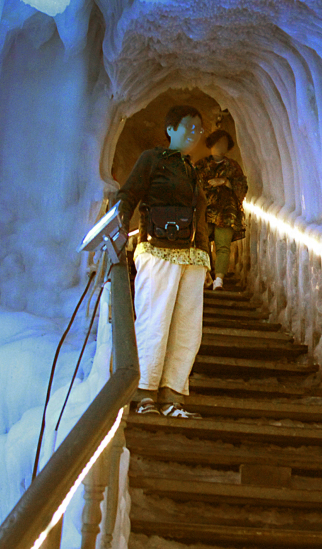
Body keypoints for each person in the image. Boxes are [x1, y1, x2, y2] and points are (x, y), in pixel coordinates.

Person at [115, 105, 210, 418]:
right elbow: (128, 195)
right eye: (188, 127)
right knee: (154, 319)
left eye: (199, 129)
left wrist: (205, 256)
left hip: (192, 257)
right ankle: (143, 393)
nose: (194, 134)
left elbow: (200, 214)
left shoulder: (191, 169)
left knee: (186, 328)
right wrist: (118, 230)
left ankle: (172, 395)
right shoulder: (152, 159)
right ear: (170, 129)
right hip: (158, 250)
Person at [194, 130, 248, 290]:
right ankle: (206, 275)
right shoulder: (200, 165)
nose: (221, 147)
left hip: (227, 212)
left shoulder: (233, 167)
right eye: (218, 144)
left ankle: (219, 280)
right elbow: (192, 186)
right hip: (205, 212)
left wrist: (225, 182)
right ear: (211, 145)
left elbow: (241, 186)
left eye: (224, 144)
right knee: (202, 243)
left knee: (223, 245)